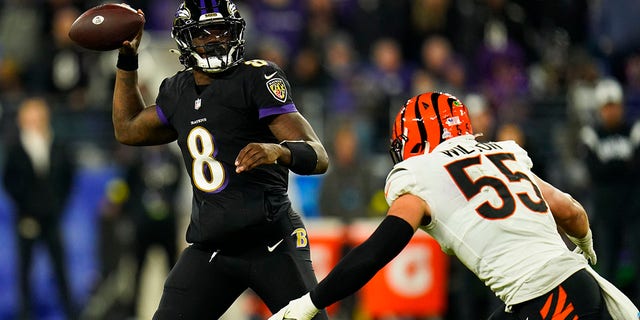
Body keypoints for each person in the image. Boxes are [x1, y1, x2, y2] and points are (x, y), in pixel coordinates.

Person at [269, 91, 640, 319]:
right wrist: (586, 248)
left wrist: (311, 302)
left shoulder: (421, 173)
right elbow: (571, 210)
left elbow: (378, 250)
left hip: (546, 299)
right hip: (564, 288)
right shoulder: (503, 153)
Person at [110, 1, 329, 319]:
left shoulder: (257, 78)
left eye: (222, 30)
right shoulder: (177, 91)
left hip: (270, 240)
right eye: (203, 33)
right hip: (211, 246)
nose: (215, 39)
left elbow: (318, 155)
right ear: (186, 39)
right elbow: (127, 128)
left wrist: (278, 151)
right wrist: (127, 61)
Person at [2, 97, 77, 319]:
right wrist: (26, 209)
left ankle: (70, 311)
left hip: (52, 217)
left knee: (60, 267)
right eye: (30, 117)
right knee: (25, 269)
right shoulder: (15, 148)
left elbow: (67, 177)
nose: (35, 122)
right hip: (27, 217)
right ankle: (25, 313)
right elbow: (10, 182)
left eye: (39, 117)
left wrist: (57, 205)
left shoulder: (57, 145)